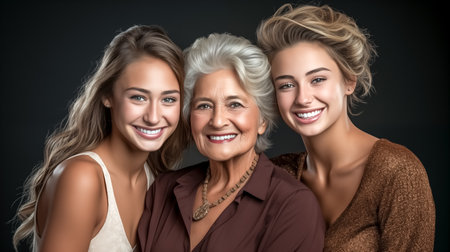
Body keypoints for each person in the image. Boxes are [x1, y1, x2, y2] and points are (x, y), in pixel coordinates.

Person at [257, 3, 435, 251]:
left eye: (317, 79)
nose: (302, 98)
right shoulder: (276, 174)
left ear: (349, 81)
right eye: (286, 85)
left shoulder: (398, 173)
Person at [137, 33, 325, 251]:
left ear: (262, 120)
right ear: (189, 118)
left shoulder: (292, 205)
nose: (217, 121)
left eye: (234, 104)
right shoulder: (163, 189)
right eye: (204, 106)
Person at [12, 25, 189, 251]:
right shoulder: (81, 177)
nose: (154, 117)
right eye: (138, 97)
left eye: (168, 99)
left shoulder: (155, 180)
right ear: (107, 96)